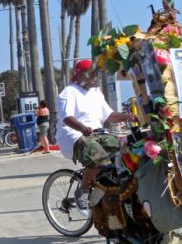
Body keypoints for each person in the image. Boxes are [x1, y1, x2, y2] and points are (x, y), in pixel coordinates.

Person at [56, 59, 135, 197]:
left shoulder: (96, 93)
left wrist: (128, 117)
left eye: (96, 74)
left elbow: (110, 116)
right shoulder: (69, 92)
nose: (94, 77)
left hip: (97, 134)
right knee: (98, 158)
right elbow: (66, 117)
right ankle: (83, 191)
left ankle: (106, 187)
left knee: (122, 151)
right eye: (89, 74)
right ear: (79, 75)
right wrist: (82, 128)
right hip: (74, 136)